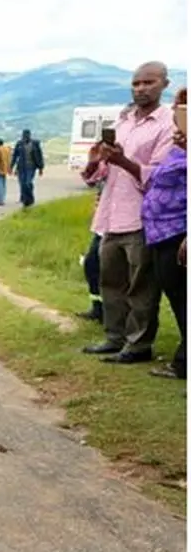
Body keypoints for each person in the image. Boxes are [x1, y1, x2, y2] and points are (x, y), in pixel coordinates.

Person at [81, 61, 174, 364]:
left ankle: (138, 345)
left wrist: (122, 162)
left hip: (144, 218)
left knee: (142, 286)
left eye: (149, 83)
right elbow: (97, 175)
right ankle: (114, 337)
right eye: (136, 84)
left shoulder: (169, 124)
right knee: (110, 281)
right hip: (110, 215)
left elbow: (161, 176)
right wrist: (96, 162)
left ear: (164, 84)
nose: (141, 89)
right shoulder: (123, 122)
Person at [140, 85, 186, 379]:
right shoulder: (178, 149)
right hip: (161, 235)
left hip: (178, 235)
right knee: (178, 299)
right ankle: (183, 360)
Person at [77, 156, 111, 323]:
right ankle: (98, 308)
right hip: (102, 225)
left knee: (110, 270)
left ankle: (111, 313)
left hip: (119, 223)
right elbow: (89, 179)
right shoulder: (104, 166)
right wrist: (95, 160)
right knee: (91, 264)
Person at [10, 128, 45, 207]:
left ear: (29, 136)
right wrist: (11, 167)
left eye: (26, 136)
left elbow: (39, 156)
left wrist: (41, 168)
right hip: (21, 168)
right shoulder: (19, 144)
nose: (25, 137)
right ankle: (26, 201)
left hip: (31, 167)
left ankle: (30, 199)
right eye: (24, 136)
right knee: (22, 184)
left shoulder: (35, 144)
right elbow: (15, 156)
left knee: (28, 183)